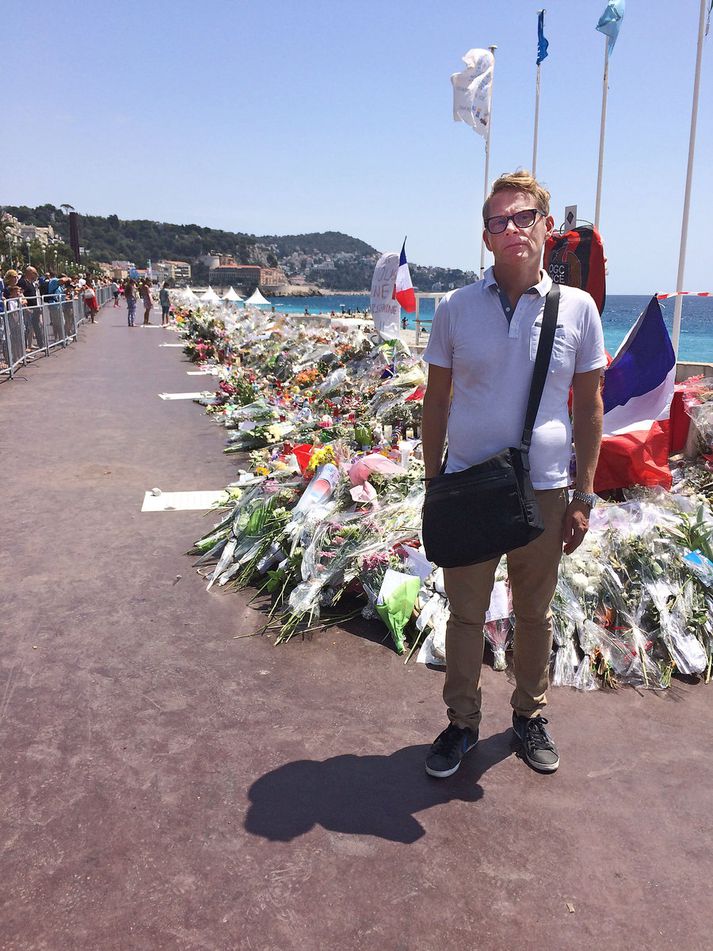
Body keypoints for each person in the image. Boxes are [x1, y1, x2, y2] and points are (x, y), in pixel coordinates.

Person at [421, 170, 606, 777]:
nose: (512, 230)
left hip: (545, 489)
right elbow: (436, 402)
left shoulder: (577, 310)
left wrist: (584, 494)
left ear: (547, 228)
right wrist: (433, 485)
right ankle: (461, 723)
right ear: (486, 237)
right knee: (466, 614)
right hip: (470, 484)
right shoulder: (454, 309)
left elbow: (589, 406)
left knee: (534, 612)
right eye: (498, 221)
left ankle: (529, 716)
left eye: (523, 217)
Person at [18, 266, 44, 350]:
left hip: (34, 308)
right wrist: (26, 308)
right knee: (28, 328)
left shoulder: (30, 282)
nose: (36, 275)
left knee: (34, 327)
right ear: (29, 272)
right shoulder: (22, 282)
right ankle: (26, 347)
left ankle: (35, 345)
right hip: (28, 309)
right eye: (34, 273)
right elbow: (20, 294)